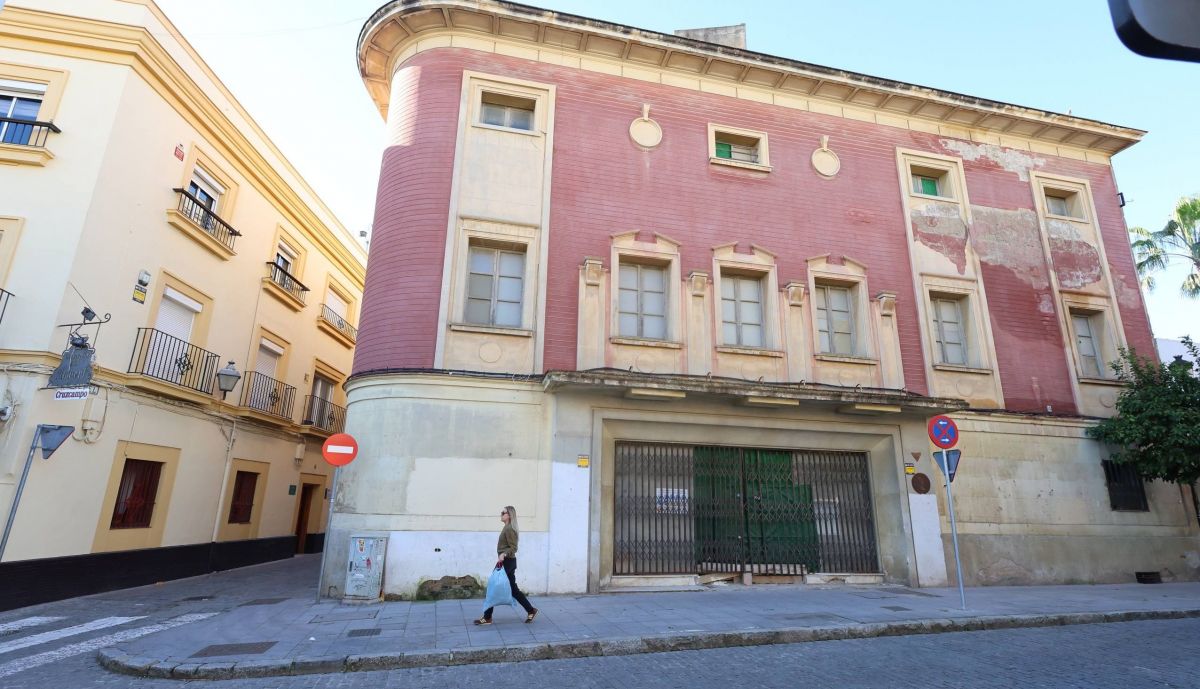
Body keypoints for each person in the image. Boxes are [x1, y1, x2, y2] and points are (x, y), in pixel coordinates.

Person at [475, 505, 537, 625]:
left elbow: (514, 548)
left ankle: (487, 617)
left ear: (509, 515)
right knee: (513, 590)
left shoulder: (509, 529)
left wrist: (504, 554)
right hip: (508, 562)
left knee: (492, 586)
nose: (501, 514)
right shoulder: (507, 528)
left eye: (503, 512)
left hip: (506, 562)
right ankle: (531, 610)